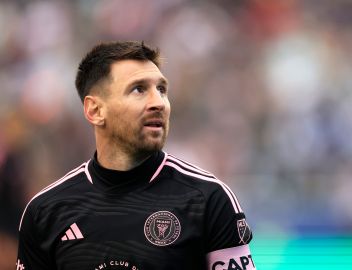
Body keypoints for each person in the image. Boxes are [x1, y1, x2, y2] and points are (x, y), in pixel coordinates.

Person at [16, 41, 255, 270]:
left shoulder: (209, 199)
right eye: (139, 89)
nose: (159, 103)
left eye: (161, 89)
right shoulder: (45, 211)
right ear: (95, 110)